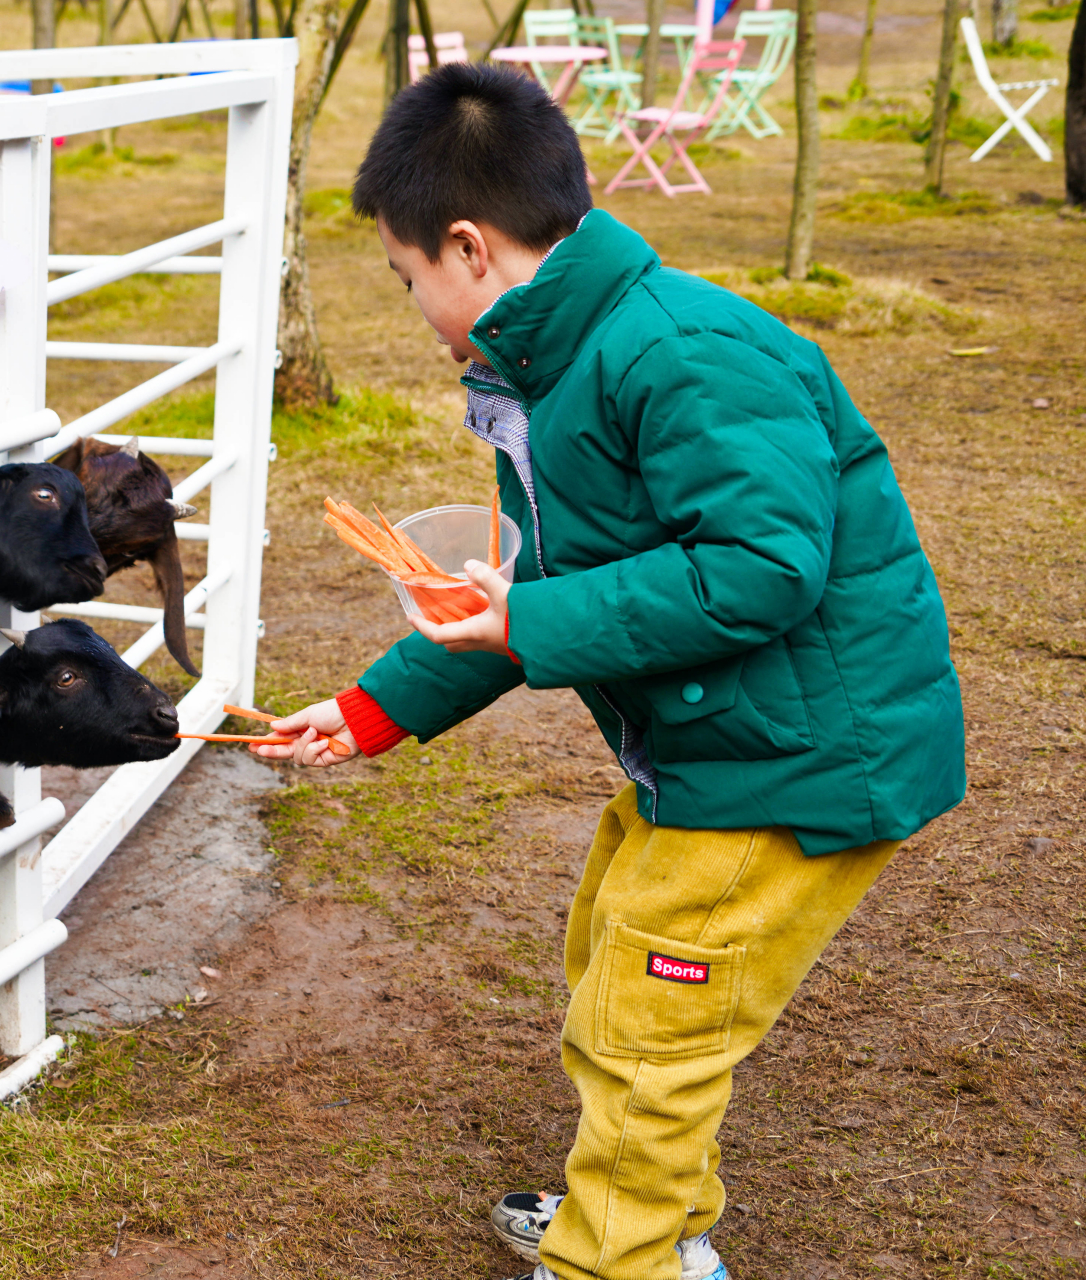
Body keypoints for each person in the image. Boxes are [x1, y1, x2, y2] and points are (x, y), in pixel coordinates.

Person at [252, 63, 965, 1280]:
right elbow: (520, 585)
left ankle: (610, 1257)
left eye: (406, 275)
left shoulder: (680, 349)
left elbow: (761, 568)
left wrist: (531, 619)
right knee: (616, 967)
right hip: (714, 745)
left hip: (795, 761)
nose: (413, 303)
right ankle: (650, 1218)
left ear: (468, 248)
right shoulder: (548, 371)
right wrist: (373, 708)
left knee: (650, 1019)